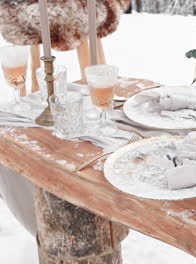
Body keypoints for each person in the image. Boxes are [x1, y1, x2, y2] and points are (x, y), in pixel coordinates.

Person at [0, 0, 130, 236]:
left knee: (95, 77)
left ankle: (103, 204)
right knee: (34, 96)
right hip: (36, 8)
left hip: (84, 8)